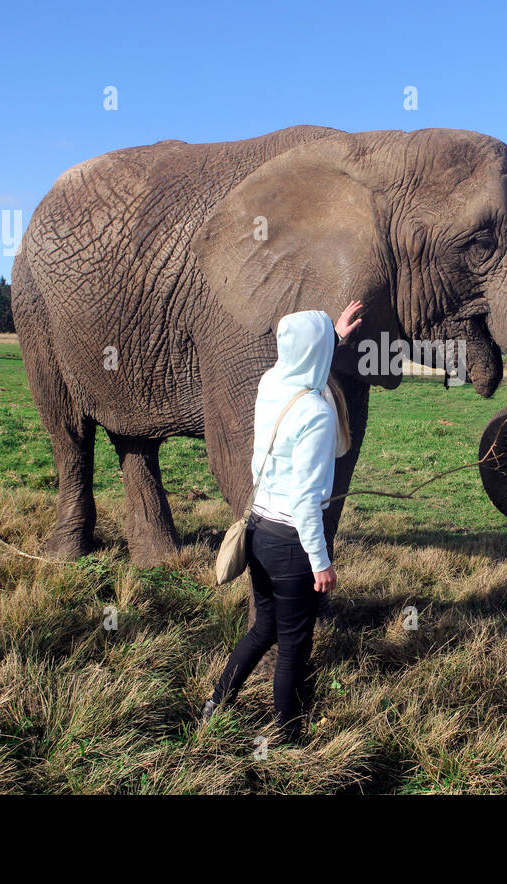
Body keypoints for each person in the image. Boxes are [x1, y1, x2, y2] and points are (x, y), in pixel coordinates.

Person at [202, 301, 363, 744]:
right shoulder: (315, 412)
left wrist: (333, 333)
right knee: (294, 644)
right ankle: (290, 736)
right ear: (318, 353)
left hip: (258, 532)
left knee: (264, 628)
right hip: (293, 542)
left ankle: (216, 703)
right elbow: (307, 502)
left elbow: (304, 356)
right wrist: (321, 562)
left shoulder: (272, 381)